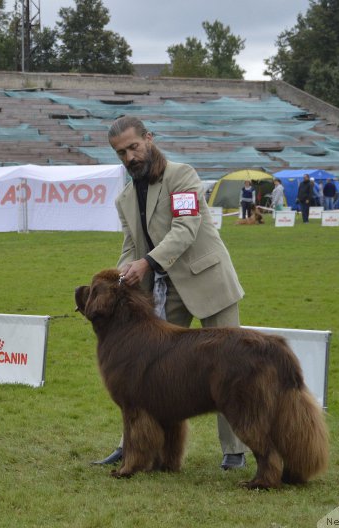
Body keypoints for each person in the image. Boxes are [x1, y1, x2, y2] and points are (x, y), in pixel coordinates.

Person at [94, 116, 247, 470]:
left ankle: (235, 452)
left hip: (209, 284)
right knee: (153, 372)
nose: (129, 157)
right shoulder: (126, 197)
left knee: (229, 369)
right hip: (165, 290)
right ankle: (133, 446)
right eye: (121, 153)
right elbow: (130, 245)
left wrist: (146, 263)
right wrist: (120, 276)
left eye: (134, 146)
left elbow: (185, 229)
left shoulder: (182, 176)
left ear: (149, 138)